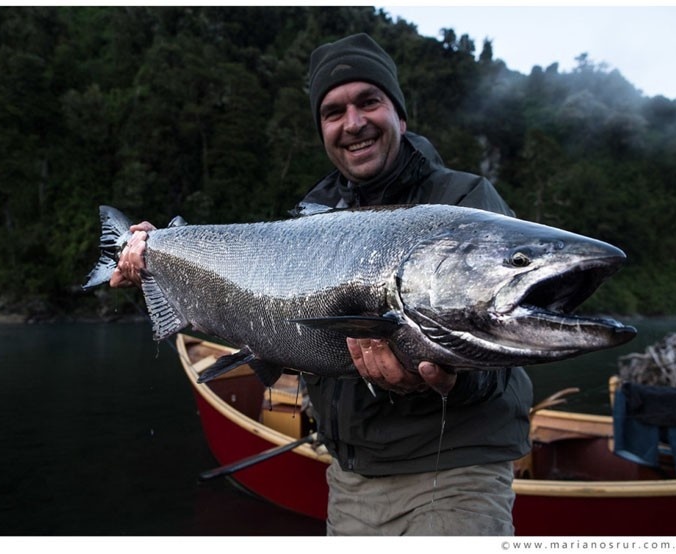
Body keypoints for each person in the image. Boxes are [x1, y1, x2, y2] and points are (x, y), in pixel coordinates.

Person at [112, 33, 533, 536]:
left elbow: (505, 337)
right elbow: (253, 292)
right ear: (322, 130)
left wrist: (452, 374)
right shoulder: (313, 217)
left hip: (458, 474)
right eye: (333, 112)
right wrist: (158, 253)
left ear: (400, 115)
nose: (353, 123)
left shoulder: (465, 202)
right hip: (351, 478)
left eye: (368, 102)